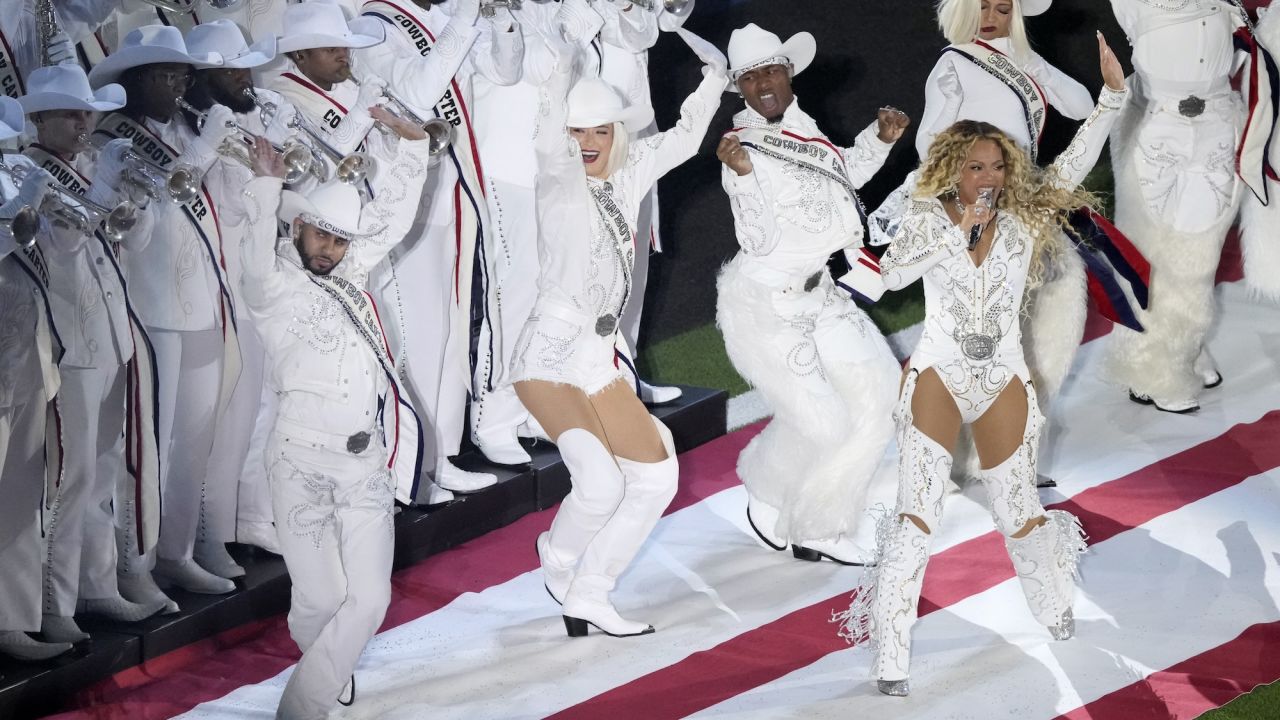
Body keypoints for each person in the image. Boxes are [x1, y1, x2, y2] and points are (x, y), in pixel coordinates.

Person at [836, 34, 1127, 697]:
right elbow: (883, 279)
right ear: (951, 170)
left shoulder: (1025, 216)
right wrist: (853, 256)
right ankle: (891, 655)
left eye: (997, 166)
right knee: (915, 517)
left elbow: (1076, 157)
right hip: (938, 371)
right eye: (975, 167)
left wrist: (1112, 97)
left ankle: (1053, 604)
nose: (988, 178)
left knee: (1019, 512)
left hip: (1001, 378)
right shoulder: (927, 221)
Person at [520, 27, 725, 637]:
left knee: (658, 473)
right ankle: (556, 555)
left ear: (617, 134)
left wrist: (713, 80)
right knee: (601, 482)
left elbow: (687, 138)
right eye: (576, 130)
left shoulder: (630, 174)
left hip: (598, 357)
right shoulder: (557, 177)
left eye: (599, 130)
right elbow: (550, 134)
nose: (586, 141)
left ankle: (591, 591)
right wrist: (561, 72)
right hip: (547, 356)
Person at [237, 108, 433, 716]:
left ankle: (304, 704)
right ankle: (326, 656)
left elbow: (393, 220)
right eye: (320, 234)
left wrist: (415, 149)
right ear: (297, 231)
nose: (330, 247)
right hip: (298, 462)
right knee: (321, 603)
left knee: (369, 601)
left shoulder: (350, 275)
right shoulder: (272, 287)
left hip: (363, 463)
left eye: (340, 238)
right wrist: (267, 185)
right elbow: (249, 255)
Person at [871, 0, 1096, 486]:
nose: (991, 15)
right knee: (973, 337)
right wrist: (965, 208)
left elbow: (1081, 105)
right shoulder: (954, 64)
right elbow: (929, 145)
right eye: (981, 6)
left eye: (1002, 6)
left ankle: (1003, 453)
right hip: (979, 210)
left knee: (1044, 322)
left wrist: (1031, 60)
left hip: (1026, 206)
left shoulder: (1023, 61)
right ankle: (946, 451)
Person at [714, 23, 907, 565]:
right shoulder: (742, 147)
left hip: (822, 297)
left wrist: (879, 140)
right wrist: (744, 179)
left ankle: (819, 522)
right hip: (766, 309)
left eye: (771, 70)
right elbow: (755, 234)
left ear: (789, 73)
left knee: (881, 395)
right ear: (740, 88)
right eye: (749, 78)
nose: (762, 83)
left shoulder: (801, 126)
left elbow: (839, 179)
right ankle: (768, 493)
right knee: (823, 423)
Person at [89, 24, 241, 605]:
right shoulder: (110, 139)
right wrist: (203, 150)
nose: (176, 83)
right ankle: (134, 565)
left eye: (180, 73)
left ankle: (176, 553)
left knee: (193, 440)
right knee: (146, 444)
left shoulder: (184, 126)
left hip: (201, 299)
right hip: (149, 310)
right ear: (134, 80)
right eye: (163, 74)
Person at [20, 64, 169, 642]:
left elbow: (136, 240)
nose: (85, 122)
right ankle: (55, 605)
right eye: (71, 113)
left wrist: (133, 194)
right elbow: (61, 248)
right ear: (38, 119)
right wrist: (104, 189)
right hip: (69, 346)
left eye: (87, 112)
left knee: (107, 468)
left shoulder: (85, 167)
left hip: (110, 336)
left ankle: (98, 585)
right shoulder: (29, 172)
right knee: (71, 477)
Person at [357, 0, 529, 473]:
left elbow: (505, 71)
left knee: (454, 328)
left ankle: (442, 452)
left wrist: (499, 19)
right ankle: (410, 460)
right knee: (420, 330)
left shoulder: (447, 18)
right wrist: (466, 19)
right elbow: (417, 91)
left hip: (456, 185)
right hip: (407, 193)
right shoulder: (374, 25)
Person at [182, 18, 291, 564]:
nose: (248, 77)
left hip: (255, 279)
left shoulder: (245, 123)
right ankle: (209, 535)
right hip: (214, 288)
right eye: (235, 69)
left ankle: (242, 519)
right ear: (205, 76)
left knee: (259, 405)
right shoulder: (192, 134)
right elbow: (217, 209)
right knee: (222, 418)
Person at [1104, 0, 1248, 413]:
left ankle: (1181, 353)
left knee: (1197, 253)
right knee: (1146, 253)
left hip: (1217, 121)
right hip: (1158, 122)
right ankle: (1148, 366)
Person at [0, 95, 76, 661]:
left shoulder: (14, 175)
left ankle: (12, 622)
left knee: (21, 497)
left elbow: (60, 252)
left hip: (28, 355)